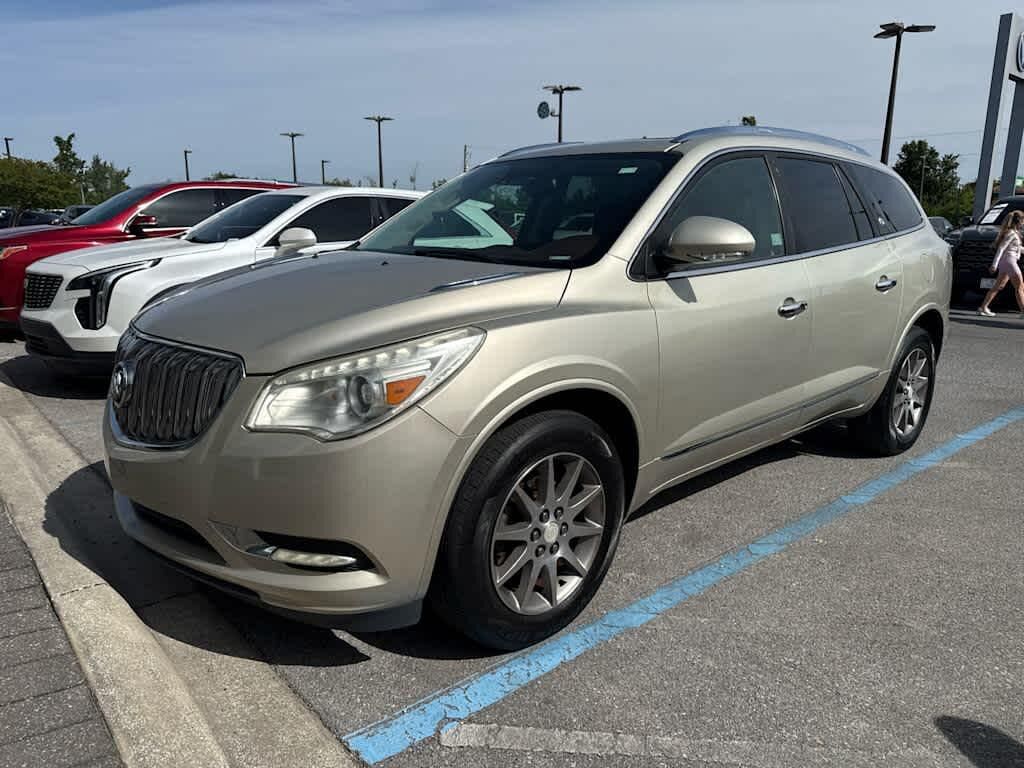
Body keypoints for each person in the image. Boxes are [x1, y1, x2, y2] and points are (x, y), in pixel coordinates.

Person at [978, 209, 1024, 317]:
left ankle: (983, 307)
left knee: (999, 286)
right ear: (1019, 221)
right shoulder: (1011, 233)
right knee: (1020, 286)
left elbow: (1017, 248)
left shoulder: (1013, 233)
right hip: (1009, 262)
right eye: (1023, 221)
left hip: (1006, 262)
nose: (1023, 224)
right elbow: (1001, 248)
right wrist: (994, 265)